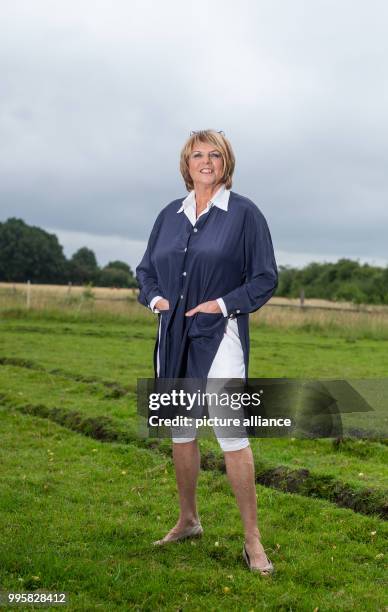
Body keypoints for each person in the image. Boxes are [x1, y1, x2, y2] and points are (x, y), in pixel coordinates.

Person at [136, 129, 278, 575]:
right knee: (181, 431)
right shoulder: (169, 214)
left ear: (225, 162)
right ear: (186, 163)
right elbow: (146, 271)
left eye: (214, 154)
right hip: (172, 337)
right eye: (197, 154)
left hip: (220, 334)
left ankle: (253, 542)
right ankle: (188, 520)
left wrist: (220, 303)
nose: (205, 161)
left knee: (232, 434)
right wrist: (154, 299)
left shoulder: (244, 214)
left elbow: (264, 278)